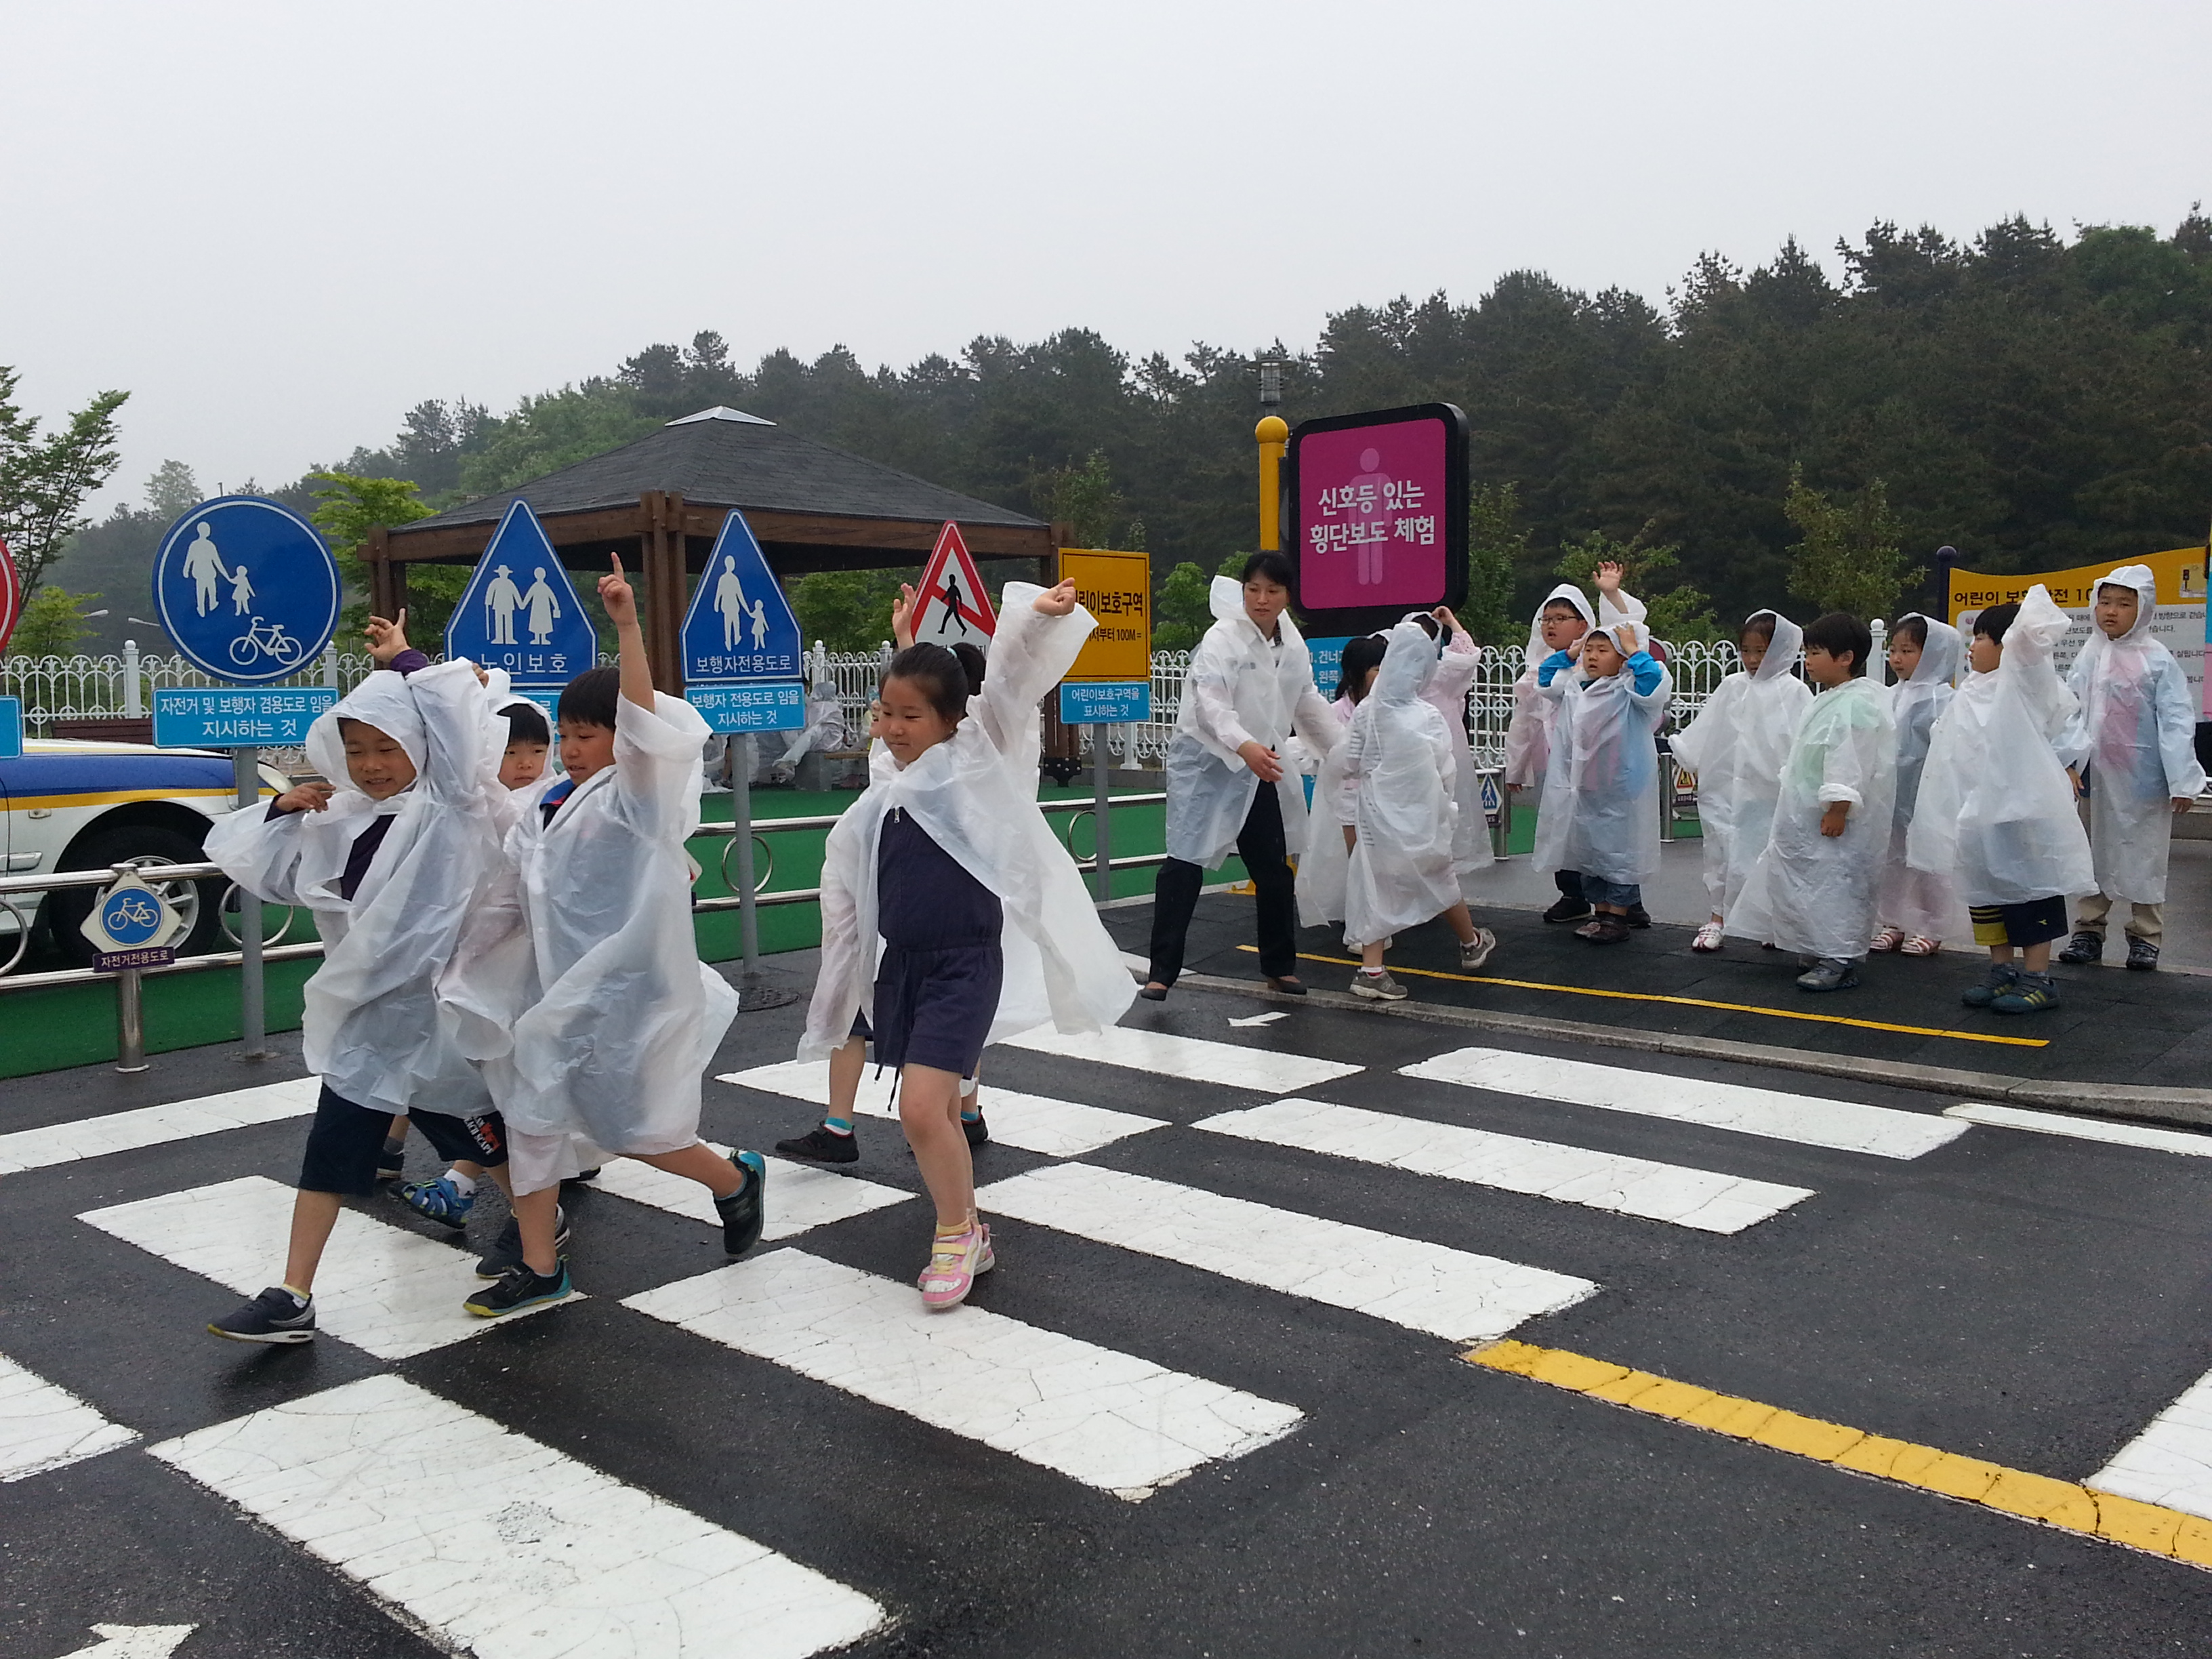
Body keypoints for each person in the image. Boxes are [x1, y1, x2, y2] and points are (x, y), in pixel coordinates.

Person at [798, 581, 1132, 1310]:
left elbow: (1008, 689)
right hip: (905, 967)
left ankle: (958, 1234)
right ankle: (965, 1222)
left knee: (921, 1109)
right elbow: (899, 732)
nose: (893, 727)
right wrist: (907, 637)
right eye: (885, 713)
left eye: (912, 716)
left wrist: (1030, 622)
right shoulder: (890, 781)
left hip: (965, 962)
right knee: (938, 1110)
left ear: (953, 721)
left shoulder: (978, 766)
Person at [201, 613, 509, 1342]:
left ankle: (541, 1221)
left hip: (438, 1020)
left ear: (422, 748)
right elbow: (267, 874)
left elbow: (458, 733)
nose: (371, 764)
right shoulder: (342, 818)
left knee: (489, 1137)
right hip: (368, 1022)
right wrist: (282, 809)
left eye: (388, 747)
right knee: (333, 1150)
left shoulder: (453, 809)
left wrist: (408, 661)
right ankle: (293, 1293)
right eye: (357, 749)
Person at [483, 555, 768, 1317]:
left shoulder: (632, 802)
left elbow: (643, 732)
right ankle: (543, 1268)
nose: (573, 750)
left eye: (588, 735)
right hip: (553, 994)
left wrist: (629, 627)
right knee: (533, 1124)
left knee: (633, 1131)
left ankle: (735, 1178)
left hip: (627, 998)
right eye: (566, 735)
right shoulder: (548, 805)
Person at [1144, 552, 1340, 1000]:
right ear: (1243, 590)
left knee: (1273, 868)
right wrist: (1245, 745)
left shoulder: (1292, 643)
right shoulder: (1222, 638)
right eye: (1253, 589)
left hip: (1259, 766)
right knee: (1184, 863)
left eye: (1273, 591)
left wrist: (1344, 754)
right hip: (1210, 764)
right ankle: (1161, 972)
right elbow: (1212, 705)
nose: (1262, 599)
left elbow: (1306, 700)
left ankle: (1279, 966)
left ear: (1288, 595)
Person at [1908, 591, 2093, 1014]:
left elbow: (2034, 645)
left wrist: (2020, 629)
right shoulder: (1971, 689)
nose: (1971, 647)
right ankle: (2002, 969)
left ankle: (2038, 978)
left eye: (1980, 638)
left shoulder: (2022, 680)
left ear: (2007, 645)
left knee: (2029, 889)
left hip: (2020, 808)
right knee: (1987, 890)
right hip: (1976, 811)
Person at [1298, 617, 1498, 1000]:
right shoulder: (1426, 715)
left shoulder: (1367, 712)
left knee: (1375, 887)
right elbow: (1446, 769)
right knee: (1439, 877)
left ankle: (1372, 970)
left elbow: (1349, 762)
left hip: (1375, 818)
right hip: (1421, 819)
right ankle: (1472, 942)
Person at [1728, 613, 1897, 991]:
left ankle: (1840, 956)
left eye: (1816, 652)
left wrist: (1839, 806)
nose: (1808, 660)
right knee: (1812, 880)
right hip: (1808, 814)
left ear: (1846, 658)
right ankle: (1818, 945)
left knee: (1838, 884)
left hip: (1836, 818)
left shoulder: (1858, 704)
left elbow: (1849, 760)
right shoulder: (1829, 700)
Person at [2055, 565, 2206, 971]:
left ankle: (2146, 936)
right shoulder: (2089, 656)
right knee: (2091, 852)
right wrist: (2069, 761)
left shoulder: (2157, 660)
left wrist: (2182, 779)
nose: (2111, 612)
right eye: (2105, 602)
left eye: (2124, 604)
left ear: (2144, 608)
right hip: (2095, 778)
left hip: (2144, 781)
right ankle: (2088, 929)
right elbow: (2069, 710)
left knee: (2145, 853)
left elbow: (2176, 720)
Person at [1500, 564, 1647, 926]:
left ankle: (1626, 903)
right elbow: (1524, 722)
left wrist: (1612, 594)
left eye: (1561, 617)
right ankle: (1574, 894)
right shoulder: (1542, 669)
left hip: (1606, 767)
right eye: (1546, 619)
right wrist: (1516, 766)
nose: (1551, 625)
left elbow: (1632, 633)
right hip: (1559, 765)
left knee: (1612, 833)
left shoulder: (1610, 667)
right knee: (1565, 830)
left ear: (1583, 624)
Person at [1668, 611, 1812, 953]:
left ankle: (1772, 922)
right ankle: (1717, 917)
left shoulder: (1794, 693)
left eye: (1760, 651)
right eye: (1746, 650)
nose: (1751, 659)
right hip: (1723, 789)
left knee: (1768, 858)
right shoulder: (1732, 686)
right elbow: (1705, 730)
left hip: (1768, 794)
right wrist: (1694, 760)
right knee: (1720, 852)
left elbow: (1803, 746)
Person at [1532, 615, 1671, 945]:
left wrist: (1635, 650)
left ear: (1622, 659)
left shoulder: (1630, 691)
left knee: (1620, 853)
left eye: (1603, 650)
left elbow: (1655, 683)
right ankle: (1602, 912)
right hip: (1586, 789)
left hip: (1622, 790)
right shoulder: (1576, 687)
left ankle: (1618, 917)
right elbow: (1545, 678)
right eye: (1589, 650)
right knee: (1590, 853)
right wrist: (1569, 654)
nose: (1592, 656)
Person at [1871, 614, 1967, 957]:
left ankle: (1933, 925)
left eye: (1907, 651)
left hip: (1928, 798)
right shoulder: (1890, 695)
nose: (1897, 659)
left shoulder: (1943, 699)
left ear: (1934, 654)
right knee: (1892, 858)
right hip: (1892, 797)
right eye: (1893, 650)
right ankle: (1893, 921)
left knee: (1930, 861)